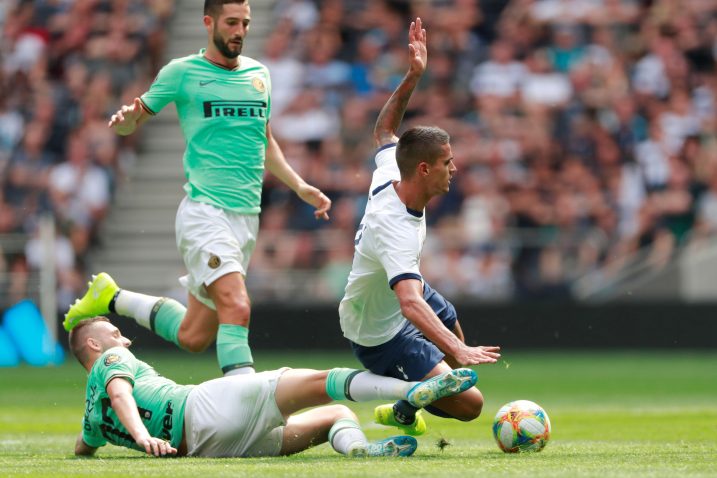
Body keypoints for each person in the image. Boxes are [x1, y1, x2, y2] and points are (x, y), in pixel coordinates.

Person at [63, 0, 332, 377]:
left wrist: (301, 185)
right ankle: (245, 413)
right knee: (237, 307)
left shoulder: (259, 75)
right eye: (232, 22)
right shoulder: (182, 72)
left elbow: (264, 138)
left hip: (246, 220)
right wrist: (124, 121)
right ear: (209, 22)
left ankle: (111, 296)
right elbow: (134, 120)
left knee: (194, 336)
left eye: (246, 23)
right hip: (206, 212)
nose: (239, 31)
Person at [338, 18, 501, 436]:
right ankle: (404, 405)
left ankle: (424, 381)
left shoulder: (393, 170)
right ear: (425, 169)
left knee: (451, 321)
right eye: (448, 163)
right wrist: (458, 351)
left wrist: (413, 75)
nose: (455, 168)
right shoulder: (393, 227)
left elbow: (385, 130)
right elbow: (410, 303)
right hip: (377, 330)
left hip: (399, 295)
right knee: (471, 404)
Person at [69, 316, 478, 458]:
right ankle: (406, 394)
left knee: (336, 415)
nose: (124, 340)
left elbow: (83, 447)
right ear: (93, 344)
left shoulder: (90, 416)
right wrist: (143, 437)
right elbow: (121, 392)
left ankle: (358, 449)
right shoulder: (111, 360)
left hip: (208, 448)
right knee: (324, 383)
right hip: (203, 408)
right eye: (115, 332)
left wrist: (102, 444)